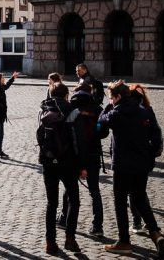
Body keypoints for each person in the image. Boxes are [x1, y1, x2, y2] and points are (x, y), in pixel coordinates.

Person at [99, 81, 164, 257]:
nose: (110, 101)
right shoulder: (144, 111)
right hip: (142, 164)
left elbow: (101, 122)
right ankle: (156, 233)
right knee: (139, 199)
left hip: (122, 165)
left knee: (120, 202)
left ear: (118, 97)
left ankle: (124, 241)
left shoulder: (116, 113)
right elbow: (156, 135)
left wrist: (107, 107)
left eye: (111, 98)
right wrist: (150, 156)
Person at [38, 80, 87, 255]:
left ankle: (50, 242)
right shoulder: (72, 111)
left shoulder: (44, 110)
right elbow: (78, 141)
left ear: (51, 95)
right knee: (74, 200)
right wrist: (82, 165)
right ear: (66, 95)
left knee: (52, 203)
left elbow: (40, 137)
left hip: (49, 161)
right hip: (68, 163)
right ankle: (70, 238)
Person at [58, 82, 105, 236]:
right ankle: (97, 226)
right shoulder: (98, 109)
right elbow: (104, 133)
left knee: (69, 189)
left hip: (74, 154)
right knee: (94, 190)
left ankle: (64, 218)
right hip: (93, 153)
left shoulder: (70, 108)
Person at [128, 83, 154, 235]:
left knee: (133, 193)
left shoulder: (130, 112)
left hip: (131, 159)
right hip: (144, 158)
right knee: (141, 192)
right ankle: (148, 223)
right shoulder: (149, 110)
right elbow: (156, 136)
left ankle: (137, 222)